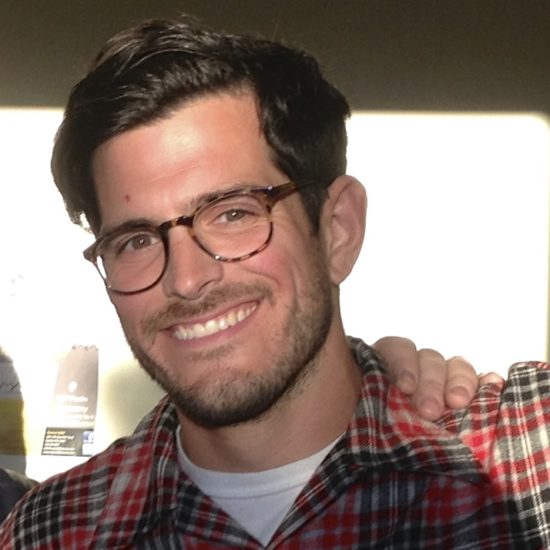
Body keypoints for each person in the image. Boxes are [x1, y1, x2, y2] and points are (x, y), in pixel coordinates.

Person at [1, 16, 544, 549]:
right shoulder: (50, 532)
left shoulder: (531, 457)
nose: (187, 280)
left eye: (233, 213)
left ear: (337, 230)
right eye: (136, 240)